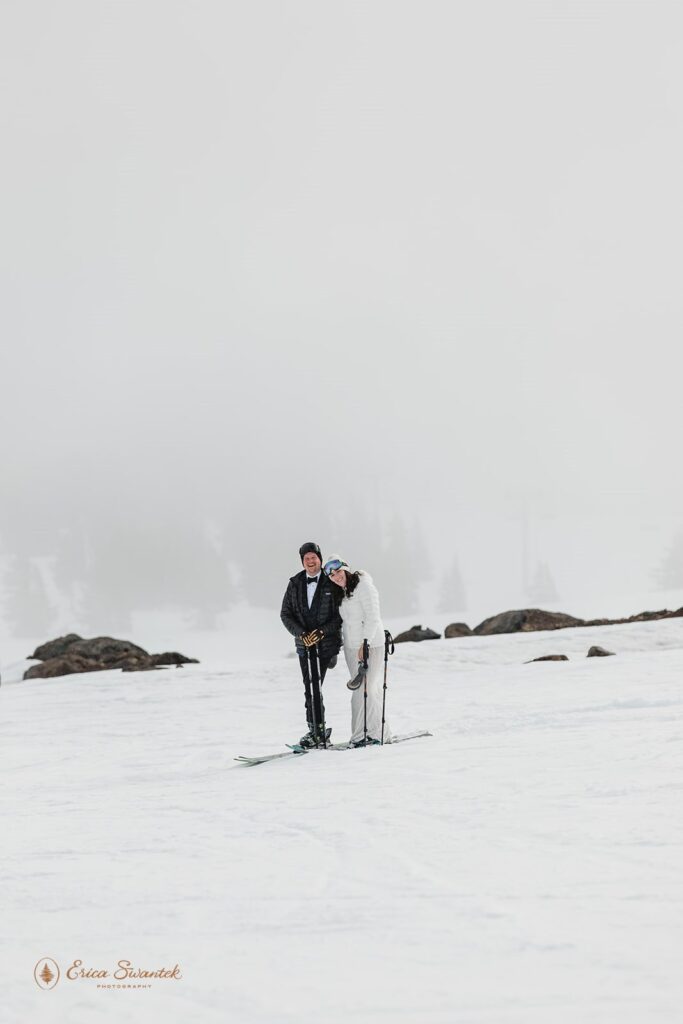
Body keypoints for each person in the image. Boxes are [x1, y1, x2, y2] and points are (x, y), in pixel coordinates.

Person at [323, 554, 392, 746]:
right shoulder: (341, 592)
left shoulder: (364, 586)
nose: (336, 577)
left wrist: (365, 643)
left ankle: (369, 734)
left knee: (366, 689)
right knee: (365, 690)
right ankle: (373, 732)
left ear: (345, 568)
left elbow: (373, 617)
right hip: (352, 648)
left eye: (338, 572)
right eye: (332, 575)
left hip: (371, 644)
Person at [280, 542, 342, 748]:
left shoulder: (330, 581)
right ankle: (315, 730)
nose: (310, 561)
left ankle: (320, 732)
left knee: (315, 686)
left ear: (320, 559)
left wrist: (322, 632)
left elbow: (339, 616)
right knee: (310, 687)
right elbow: (285, 614)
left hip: (326, 646)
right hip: (304, 646)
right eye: (306, 559)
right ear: (302, 562)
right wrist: (302, 634)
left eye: (313, 557)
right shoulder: (295, 583)